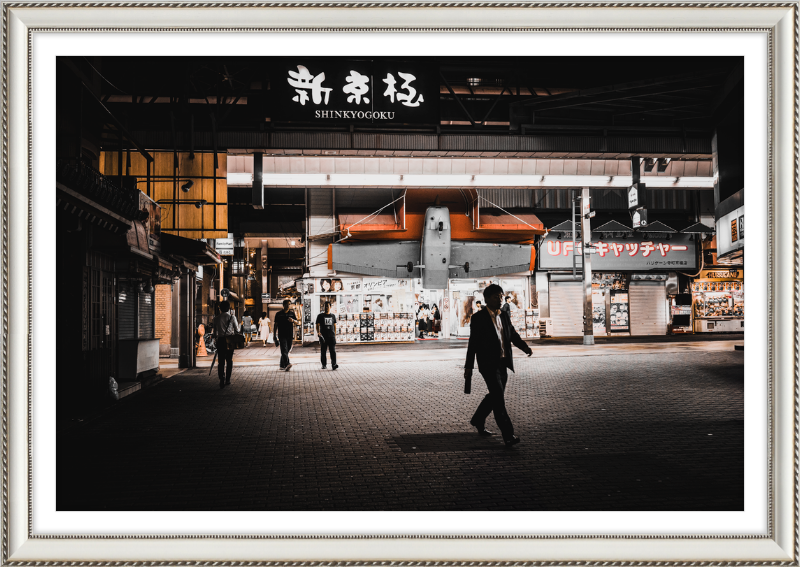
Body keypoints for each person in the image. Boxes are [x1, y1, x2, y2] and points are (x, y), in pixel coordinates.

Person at [464, 283, 532, 448]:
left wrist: (524, 347)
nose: (500, 299)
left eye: (501, 296)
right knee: (498, 399)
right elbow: (473, 344)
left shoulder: (504, 315)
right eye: (496, 297)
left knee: (494, 396)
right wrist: (468, 367)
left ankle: (478, 420)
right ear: (486, 299)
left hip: (503, 363)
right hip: (488, 364)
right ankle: (508, 435)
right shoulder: (478, 318)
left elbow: (512, 334)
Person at [213, 301, 240, 389]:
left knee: (221, 361)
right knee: (229, 360)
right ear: (229, 308)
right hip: (229, 341)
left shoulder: (216, 318)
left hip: (220, 340)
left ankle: (221, 377)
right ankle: (228, 379)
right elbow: (237, 330)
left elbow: (215, 332)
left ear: (220, 308)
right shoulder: (232, 317)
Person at [274, 299, 300, 370]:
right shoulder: (278, 314)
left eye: (289, 304)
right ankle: (287, 364)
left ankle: (282, 365)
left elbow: (298, 322)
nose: (288, 306)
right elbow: (275, 325)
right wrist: (274, 335)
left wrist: (293, 320)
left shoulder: (292, 313)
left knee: (287, 350)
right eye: (287, 304)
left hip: (290, 334)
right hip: (282, 335)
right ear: (283, 305)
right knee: (284, 349)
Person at [315, 302, 339, 370]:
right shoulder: (320, 316)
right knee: (323, 351)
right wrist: (318, 332)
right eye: (325, 306)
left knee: (333, 351)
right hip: (323, 336)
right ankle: (324, 364)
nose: (326, 308)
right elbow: (317, 325)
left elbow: (334, 325)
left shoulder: (333, 316)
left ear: (330, 307)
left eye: (327, 306)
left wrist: (335, 335)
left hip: (331, 336)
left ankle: (334, 364)